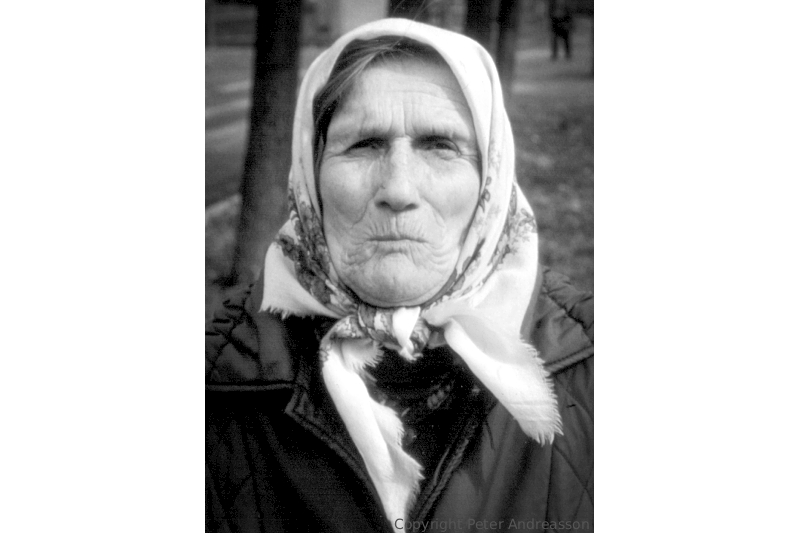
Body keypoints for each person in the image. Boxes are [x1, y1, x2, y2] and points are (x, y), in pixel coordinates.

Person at [205, 18, 593, 533]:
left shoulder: (584, 365)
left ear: (491, 181)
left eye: (440, 145)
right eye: (364, 144)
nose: (399, 188)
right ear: (311, 175)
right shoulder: (220, 377)